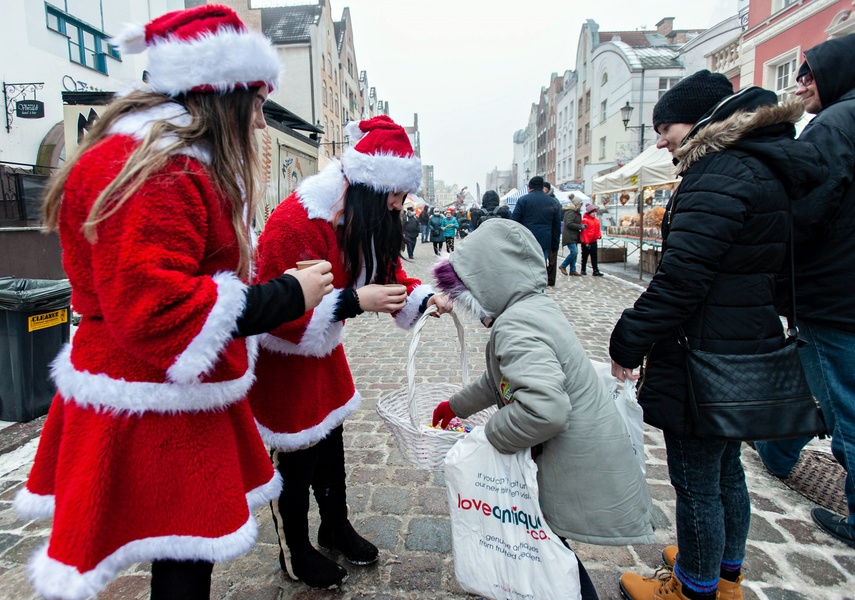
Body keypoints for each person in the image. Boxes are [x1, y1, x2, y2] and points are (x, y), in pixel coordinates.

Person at [11, 6, 336, 599]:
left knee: (184, 551)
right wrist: (290, 294)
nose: (262, 124)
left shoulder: (161, 159)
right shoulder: (161, 169)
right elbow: (157, 309)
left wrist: (282, 289)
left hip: (161, 387)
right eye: (258, 104)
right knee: (185, 556)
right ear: (224, 98)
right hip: (153, 391)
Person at [609, 71, 825, 600]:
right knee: (728, 468)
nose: (660, 140)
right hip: (742, 342)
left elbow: (682, 279)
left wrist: (628, 339)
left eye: (666, 127)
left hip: (702, 350)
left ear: (702, 119)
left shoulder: (718, 172)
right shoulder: (756, 164)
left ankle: (693, 587)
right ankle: (725, 572)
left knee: (696, 480)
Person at [248, 115, 452, 590]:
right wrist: (354, 301)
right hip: (285, 357)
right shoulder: (297, 222)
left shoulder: (367, 215)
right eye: (395, 196)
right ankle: (294, 550)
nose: (400, 206)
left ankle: (334, 525)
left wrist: (423, 298)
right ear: (368, 184)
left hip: (322, 353)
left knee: (331, 442)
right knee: (297, 455)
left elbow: (388, 273)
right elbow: (277, 306)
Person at [430, 219, 655, 600]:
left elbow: (545, 410)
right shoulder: (531, 307)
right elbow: (501, 380)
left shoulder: (515, 325)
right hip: (573, 455)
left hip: (570, 462)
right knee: (548, 547)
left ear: (488, 282)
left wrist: (488, 437)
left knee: (547, 551)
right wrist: (455, 406)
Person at [752, 33, 855, 549]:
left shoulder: (835, 123)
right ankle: (777, 450)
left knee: (844, 407)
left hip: (834, 293)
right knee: (813, 380)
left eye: (810, 72)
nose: (800, 83)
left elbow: (806, 208)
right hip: (838, 291)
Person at [511, 176, 562, 286]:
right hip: (545, 239)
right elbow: (556, 226)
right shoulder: (552, 202)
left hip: (526, 238)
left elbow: (514, 221)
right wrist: (555, 244)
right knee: (540, 264)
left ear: (529, 188)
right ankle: (538, 286)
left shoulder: (523, 200)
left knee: (525, 263)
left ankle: (526, 285)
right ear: (542, 187)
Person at [559, 198, 585, 276]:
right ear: (577, 204)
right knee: (574, 252)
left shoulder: (575, 212)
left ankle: (572, 270)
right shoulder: (570, 212)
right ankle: (563, 265)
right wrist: (580, 226)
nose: (581, 205)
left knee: (574, 252)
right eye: (580, 204)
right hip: (569, 235)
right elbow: (569, 223)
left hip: (574, 235)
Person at [579, 204, 603, 276]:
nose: (594, 213)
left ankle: (595, 270)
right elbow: (584, 232)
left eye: (595, 212)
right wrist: (586, 242)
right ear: (589, 212)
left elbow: (598, 229)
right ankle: (583, 269)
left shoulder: (596, 220)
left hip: (594, 241)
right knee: (585, 256)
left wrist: (599, 235)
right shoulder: (585, 220)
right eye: (593, 212)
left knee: (594, 256)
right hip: (587, 241)